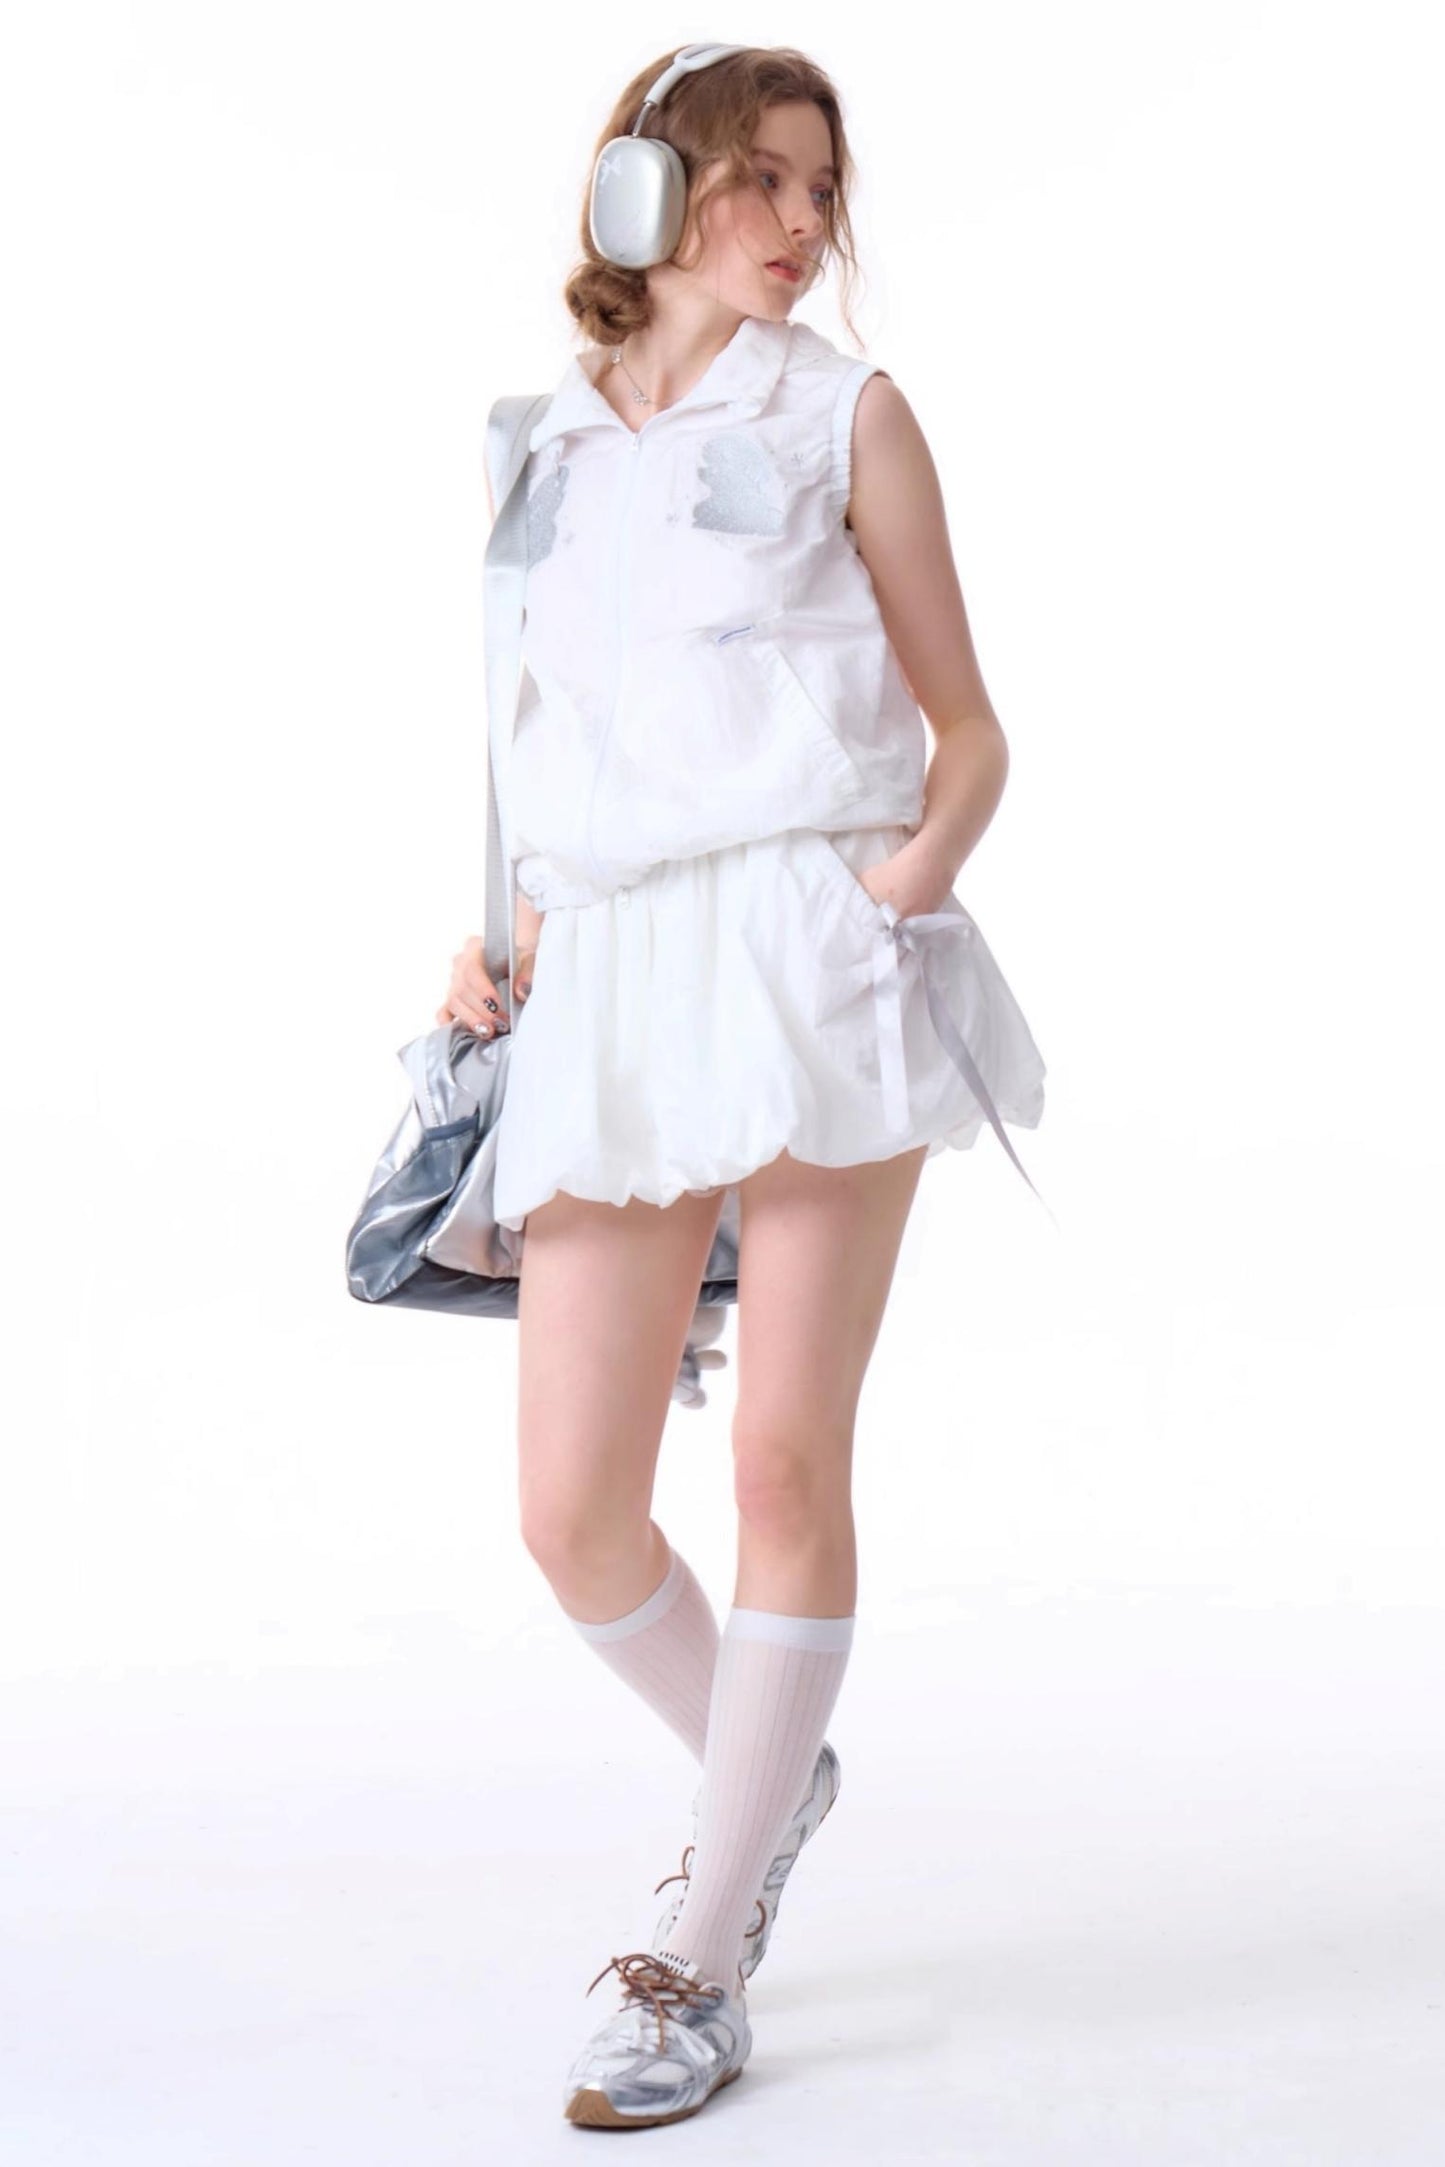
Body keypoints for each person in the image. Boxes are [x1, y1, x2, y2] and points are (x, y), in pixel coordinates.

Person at [436, 45, 1047, 2130]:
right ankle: (769, 1774)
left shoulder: (845, 414)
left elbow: (970, 729)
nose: (801, 223)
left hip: (806, 955)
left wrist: (893, 894)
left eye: (821, 188)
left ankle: (693, 1958)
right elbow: (543, 733)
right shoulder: (539, 446)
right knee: (570, 1511)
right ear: (646, 191)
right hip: (608, 971)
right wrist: (501, 930)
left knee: (781, 1460)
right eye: (760, 180)